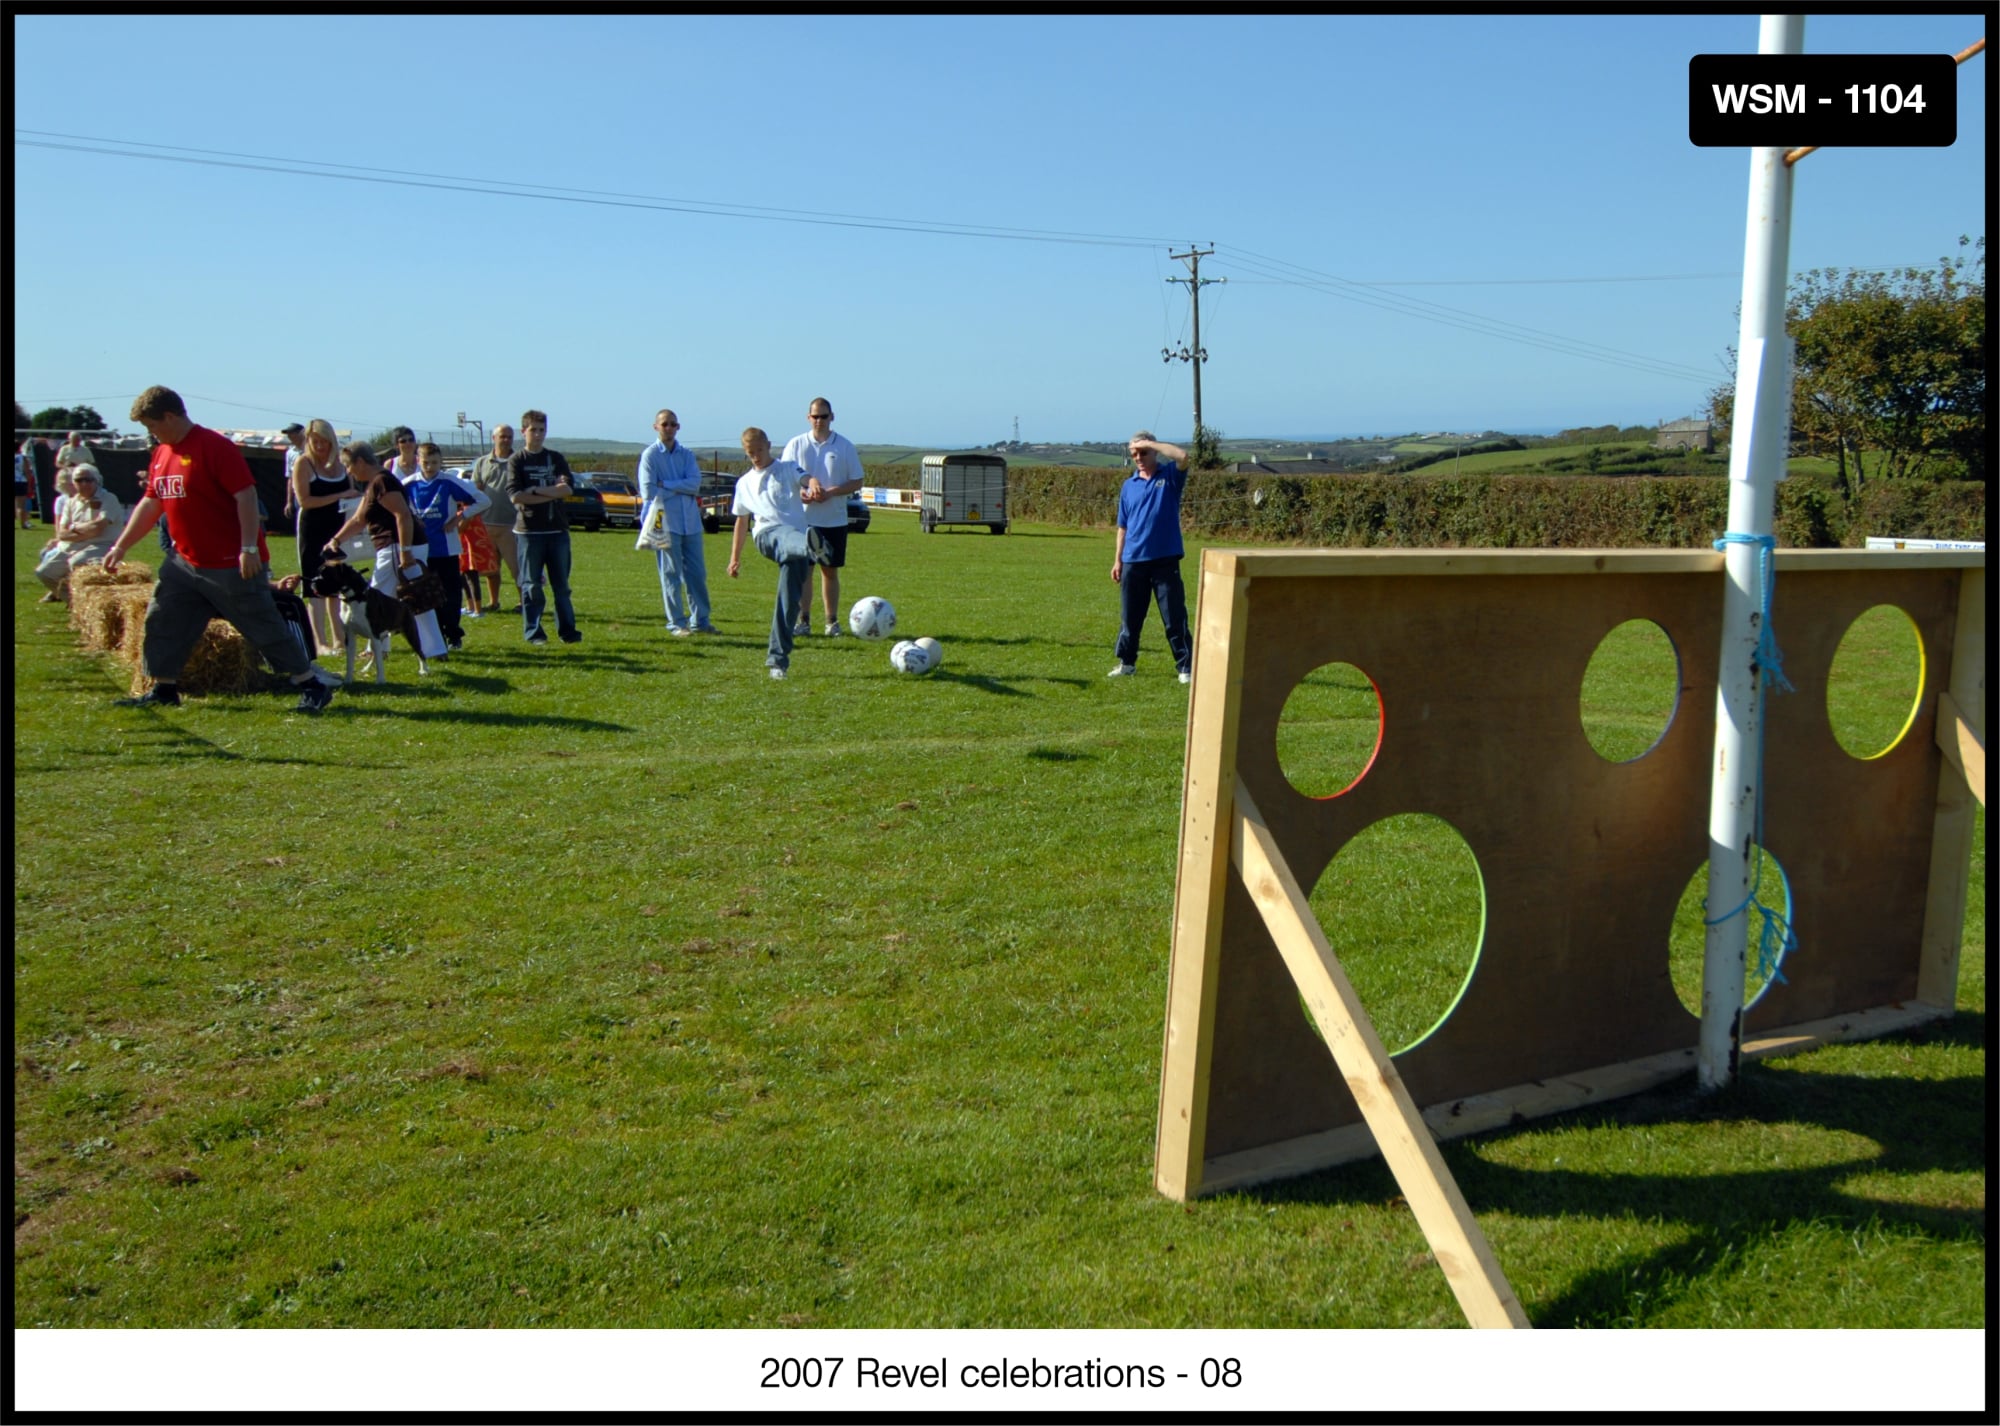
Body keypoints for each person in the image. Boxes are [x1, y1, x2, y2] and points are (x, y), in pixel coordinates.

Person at [99, 385, 335, 713]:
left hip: (230, 561)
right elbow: (152, 503)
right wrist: (121, 546)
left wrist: (249, 547)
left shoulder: (214, 447)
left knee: (260, 623)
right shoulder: (162, 453)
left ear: (170, 416)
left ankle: (311, 683)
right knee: (162, 618)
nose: (151, 433)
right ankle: (164, 687)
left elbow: (246, 496)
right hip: (183, 562)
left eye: (152, 425)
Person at [322, 441, 449, 659]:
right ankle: (435, 649)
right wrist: (336, 540)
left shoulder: (382, 482)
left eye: (349, 466)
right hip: (401, 546)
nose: (348, 471)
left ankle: (378, 649)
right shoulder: (376, 483)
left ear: (360, 461)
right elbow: (359, 519)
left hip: (396, 546)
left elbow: (403, 515)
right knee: (417, 595)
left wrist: (405, 551)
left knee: (377, 596)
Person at [727, 426, 832, 680]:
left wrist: (815, 483)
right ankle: (814, 548)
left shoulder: (786, 468)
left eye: (759, 451)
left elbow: (806, 478)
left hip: (796, 543)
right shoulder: (744, 484)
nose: (756, 457)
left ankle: (777, 661)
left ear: (769, 446)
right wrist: (734, 558)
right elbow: (741, 523)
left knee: (788, 603)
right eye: (750, 453)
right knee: (787, 538)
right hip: (767, 536)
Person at [1108, 431, 1193, 684]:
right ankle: (1127, 663)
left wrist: (1151, 443)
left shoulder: (1169, 477)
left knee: (1174, 617)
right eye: (1134, 453)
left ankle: (1186, 667)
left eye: (1143, 452)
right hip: (1134, 561)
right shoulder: (1128, 486)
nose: (1139, 457)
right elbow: (1122, 527)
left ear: (1154, 451)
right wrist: (1118, 560)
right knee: (1130, 618)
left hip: (1165, 559)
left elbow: (1183, 456)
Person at [781, 397, 864, 637]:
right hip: (802, 520)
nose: (819, 421)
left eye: (824, 416)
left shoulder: (844, 446)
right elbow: (784, 477)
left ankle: (831, 622)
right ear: (808, 418)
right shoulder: (796, 445)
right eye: (815, 416)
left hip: (834, 519)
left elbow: (857, 480)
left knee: (829, 571)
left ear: (832, 417)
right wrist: (802, 494)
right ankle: (803, 621)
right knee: (804, 572)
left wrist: (831, 493)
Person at [400, 442, 489, 650]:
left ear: (441, 462)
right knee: (424, 593)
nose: (430, 467)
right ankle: (433, 635)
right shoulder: (408, 484)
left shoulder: (449, 482)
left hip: (446, 548)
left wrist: (460, 517)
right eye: (426, 462)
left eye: (435, 462)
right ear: (417, 461)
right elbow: (397, 508)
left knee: (450, 592)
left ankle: (453, 633)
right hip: (420, 549)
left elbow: (483, 500)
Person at [636, 407, 715, 635]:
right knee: (670, 573)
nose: (669, 428)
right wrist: (680, 487)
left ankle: (701, 621)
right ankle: (677, 623)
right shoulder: (650, 456)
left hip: (690, 521)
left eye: (672, 424)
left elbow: (695, 484)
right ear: (656, 427)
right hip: (663, 520)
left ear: (678, 427)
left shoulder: (687, 455)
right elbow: (650, 491)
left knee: (697, 574)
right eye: (664, 424)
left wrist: (667, 484)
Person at [508, 409, 581, 646]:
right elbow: (516, 496)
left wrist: (537, 491)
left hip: (557, 531)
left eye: (542, 430)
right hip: (529, 532)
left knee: (562, 587)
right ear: (524, 431)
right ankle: (534, 632)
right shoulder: (517, 460)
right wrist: (552, 493)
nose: (538, 435)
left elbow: (568, 490)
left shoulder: (555, 458)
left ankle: (568, 632)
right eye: (533, 430)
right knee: (531, 586)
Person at [289, 418, 356, 655]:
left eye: (324, 442)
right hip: (312, 530)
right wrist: (340, 495)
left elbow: (351, 494)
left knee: (335, 586)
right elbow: (304, 501)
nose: (320, 446)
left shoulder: (340, 465)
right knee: (314, 588)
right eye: (315, 441)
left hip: (336, 531)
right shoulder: (303, 463)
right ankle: (319, 641)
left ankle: (340, 639)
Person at [35, 465, 124, 600]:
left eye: (88, 480)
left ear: (97, 481)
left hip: (101, 545)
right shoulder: (71, 502)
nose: (84, 483)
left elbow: (98, 528)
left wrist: (73, 528)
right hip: (71, 546)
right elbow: (61, 533)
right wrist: (84, 529)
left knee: (77, 562)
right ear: (73, 483)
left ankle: (84, 601)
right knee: (44, 572)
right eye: (79, 480)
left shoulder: (108, 499)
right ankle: (76, 602)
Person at [470, 423, 523, 611]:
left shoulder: (519, 461)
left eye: (509, 436)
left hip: (512, 525)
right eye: (503, 436)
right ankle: (493, 602)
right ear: (494, 438)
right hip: (485, 525)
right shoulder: (482, 463)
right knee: (490, 569)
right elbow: (476, 490)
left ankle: (524, 602)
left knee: (517, 568)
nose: (506, 440)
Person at [280, 421, 306, 523]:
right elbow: (290, 478)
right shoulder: (290, 453)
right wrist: (289, 501)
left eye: (292, 433)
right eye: (288, 434)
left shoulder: (313, 449)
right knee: (301, 521)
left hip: (315, 491)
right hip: (298, 494)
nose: (289, 436)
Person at [14, 439, 33, 529]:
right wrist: (29, 485)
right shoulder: (22, 458)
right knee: (20, 505)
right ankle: (23, 524)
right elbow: (27, 472)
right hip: (21, 481)